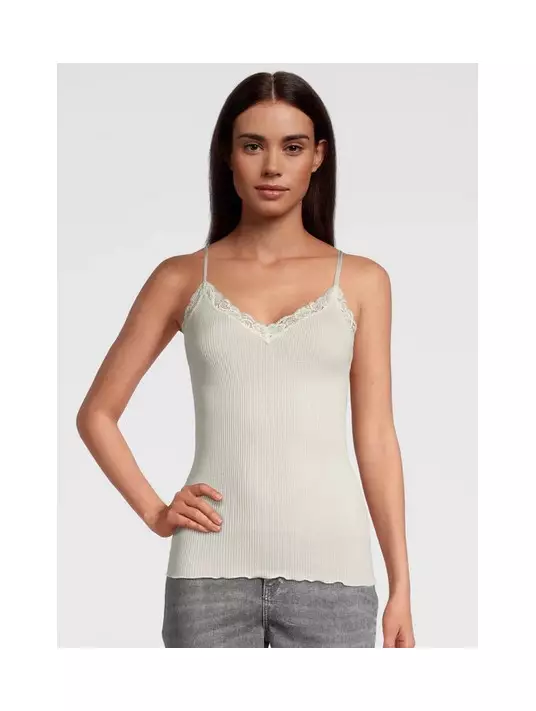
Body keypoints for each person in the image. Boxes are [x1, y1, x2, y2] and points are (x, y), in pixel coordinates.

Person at [76, 70, 415, 648]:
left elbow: (377, 437)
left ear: (318, 157)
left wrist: (401, 583)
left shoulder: (362, 281)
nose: (272, 166)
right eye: (253, 145)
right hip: (206, 582)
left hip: (334, 579)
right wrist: (155, 512)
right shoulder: (181, 277)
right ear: (228, 156)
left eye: (293, 147)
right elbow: (96, 415)